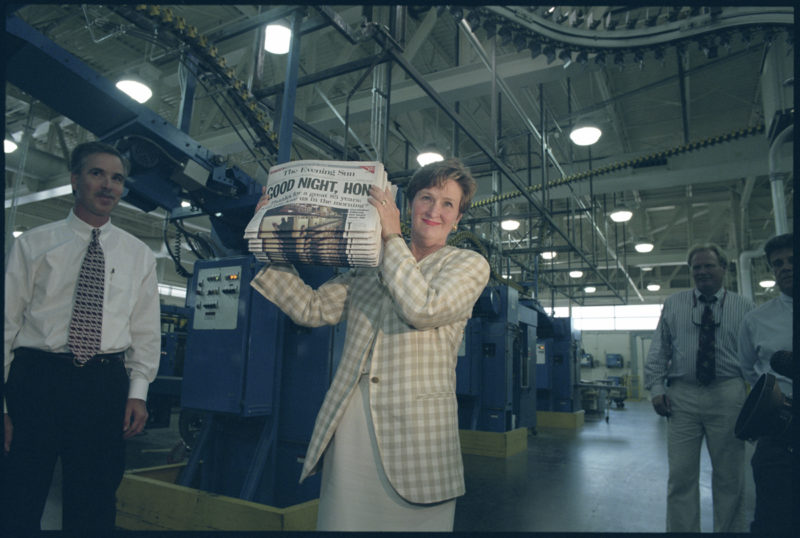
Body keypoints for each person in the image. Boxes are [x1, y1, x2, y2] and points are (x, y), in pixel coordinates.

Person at [250, 158, 489, 531]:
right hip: (352, 426)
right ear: (409, 204)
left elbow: (422, 308)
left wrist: (392, 239)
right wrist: (268, 240)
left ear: (458, 218)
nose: (434, 210)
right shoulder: (369, 263)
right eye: (426, 198)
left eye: (447, 204)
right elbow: (312, 309)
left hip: (417, 434)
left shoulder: (468, 264)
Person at [2, 141, 161, 532]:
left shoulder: (139, 254)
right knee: (18, 495)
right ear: (75, 180)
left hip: (102, 384)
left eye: (117, 178)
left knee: (94, 500)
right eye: (97, 174)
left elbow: (145, 330)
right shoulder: (33, 245)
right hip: (36, 379)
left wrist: (137, 393)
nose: (108, 185)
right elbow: (6, 324)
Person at [644, 244, 755, 532]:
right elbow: (659, 351)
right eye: (696, 267)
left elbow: (755, 356)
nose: (702, 271)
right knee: (680, 476)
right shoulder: (674, 304)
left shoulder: (744, 307)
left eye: (709, 265)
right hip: (682, 396)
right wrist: (656, 388)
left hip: (728, 393)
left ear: (724, 268)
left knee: (730, 477)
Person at [737, 232, 795, 533]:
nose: (785, 267)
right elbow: (749, 369)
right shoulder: (758, 320)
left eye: (791, 260)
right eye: (778, 263)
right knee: (773, 517)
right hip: (779, 431)